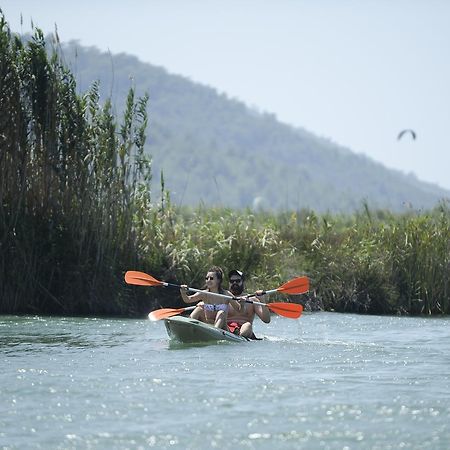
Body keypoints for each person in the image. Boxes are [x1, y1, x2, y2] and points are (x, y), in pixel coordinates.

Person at [226, 269, 270, 339]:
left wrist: (262, 300)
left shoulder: (252, 300)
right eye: (232, 281)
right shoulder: (224, 297)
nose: (234, 283)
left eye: (238, 281)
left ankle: (238, 336)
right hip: (227, 330)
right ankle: (233, 334)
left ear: (243, 282)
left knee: (248, 325)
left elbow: (266, 320)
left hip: (245, 331)